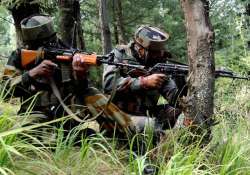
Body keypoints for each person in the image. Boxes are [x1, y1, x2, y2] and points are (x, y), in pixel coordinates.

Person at [1, 14, 156, 139]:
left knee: (91, 94)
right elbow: (4, 92)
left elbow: (80, 89)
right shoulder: (19, 56)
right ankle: (76, 137)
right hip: (35, 112)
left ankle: (130, 127)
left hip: (66, 111)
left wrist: (80, 74)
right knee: (23, 138)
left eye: (51, 39)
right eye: (43, 43)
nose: (50, 44)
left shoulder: (66, 51)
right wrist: (31, 74)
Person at [103, 25, 185, 130]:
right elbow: (109, 85)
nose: (158, 55)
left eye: (160, 52)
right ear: (140, 49)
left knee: (180, 115)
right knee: (151, 127)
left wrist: (183, 87)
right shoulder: (119, 55)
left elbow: (172, 93)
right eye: (154, 53)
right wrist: (143, 82)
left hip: (148, 112)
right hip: (120, 115)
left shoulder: (158, 63)